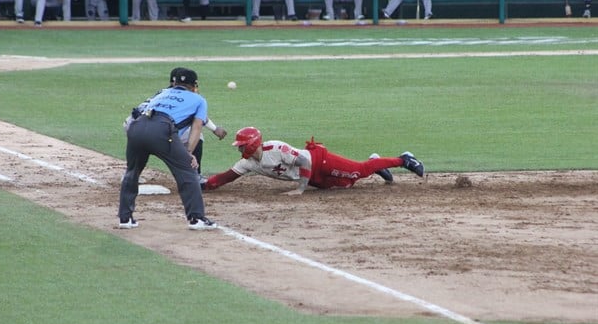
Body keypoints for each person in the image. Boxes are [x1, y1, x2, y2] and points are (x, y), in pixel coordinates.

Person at [119, 68, 217, 230]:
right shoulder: (199, 99)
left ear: (174, 83)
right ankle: (196, 218)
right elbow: (197, 126)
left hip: (136, 128)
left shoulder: (162, 93)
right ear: (194, 85)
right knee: (188, 170)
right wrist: (188, 154)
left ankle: (125, 218)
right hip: (161, 130)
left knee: (132, 172)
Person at [203, 127, 425, 195]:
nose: (239, 148)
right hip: (311, 179)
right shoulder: (249, 163)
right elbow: (224, 178)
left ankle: (403, 159)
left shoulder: (276, 148)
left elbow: (304, 163)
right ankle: (376, 162)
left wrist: (300, 190)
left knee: (358, 171)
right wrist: (202, 185)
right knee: (346, 184)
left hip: (318, 162)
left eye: (241, 145)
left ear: (251, 144)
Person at [124, 68, 228, 178]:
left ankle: (131, 174)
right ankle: (195, 175)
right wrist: (214, 129)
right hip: (156, 128)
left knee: (142, 147)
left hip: (133, 124)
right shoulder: (188, 96)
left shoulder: (163, 93)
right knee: (196, 137)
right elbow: (197, 119)